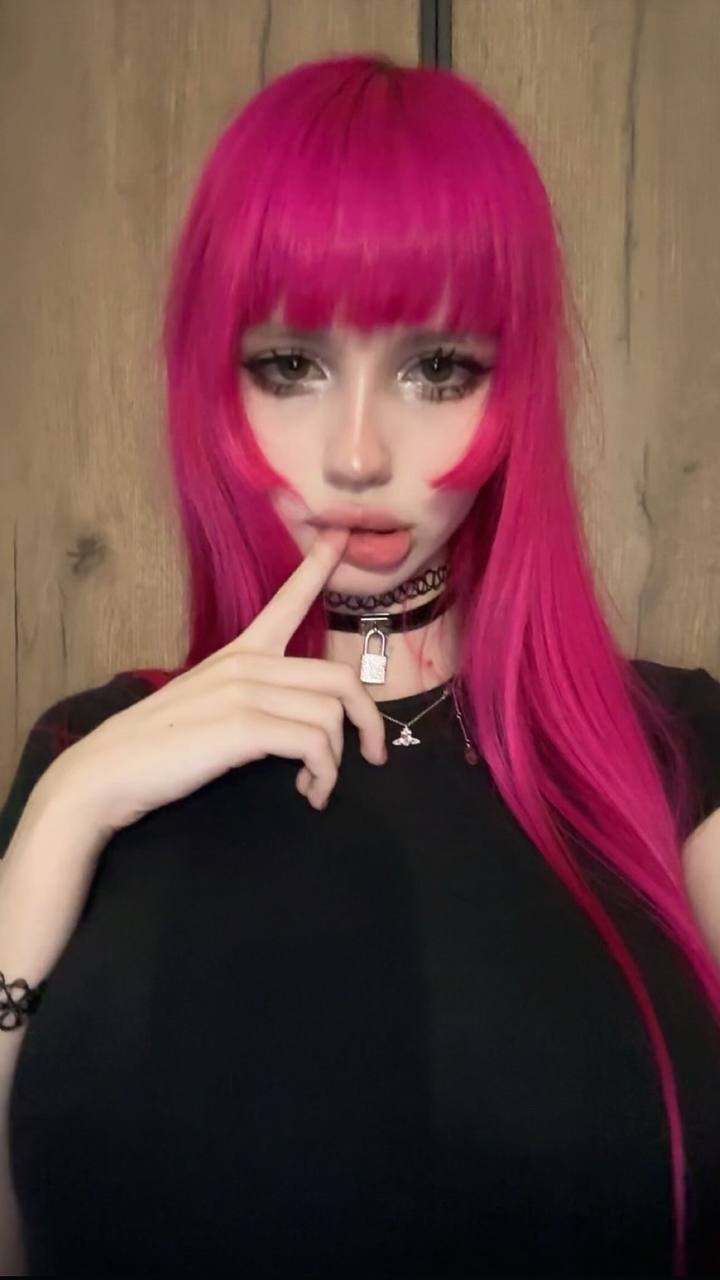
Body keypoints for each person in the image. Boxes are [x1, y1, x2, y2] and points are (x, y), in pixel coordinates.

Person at [1, 52, 720, 1279]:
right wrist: (59, 821)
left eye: (439, 368)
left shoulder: (678, 751)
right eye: (291, 364)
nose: (356, 453)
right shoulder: (86, 756)